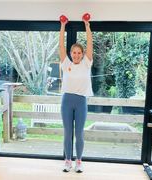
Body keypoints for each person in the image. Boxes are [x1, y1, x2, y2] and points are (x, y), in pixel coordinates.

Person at [59, 17, 93, 173]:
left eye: (79, 52)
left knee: (79, 133)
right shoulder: (66, 64)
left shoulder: (87, 63)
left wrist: (87, 25)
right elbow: (61, 46)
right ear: (71, 53)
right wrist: (62, 26)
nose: (77, 55)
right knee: (67, 132)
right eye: (74, 52)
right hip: (67, 101)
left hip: (81, 101)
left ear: (83, 54)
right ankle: (67, 161)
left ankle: (78, 161)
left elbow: (90, 44)